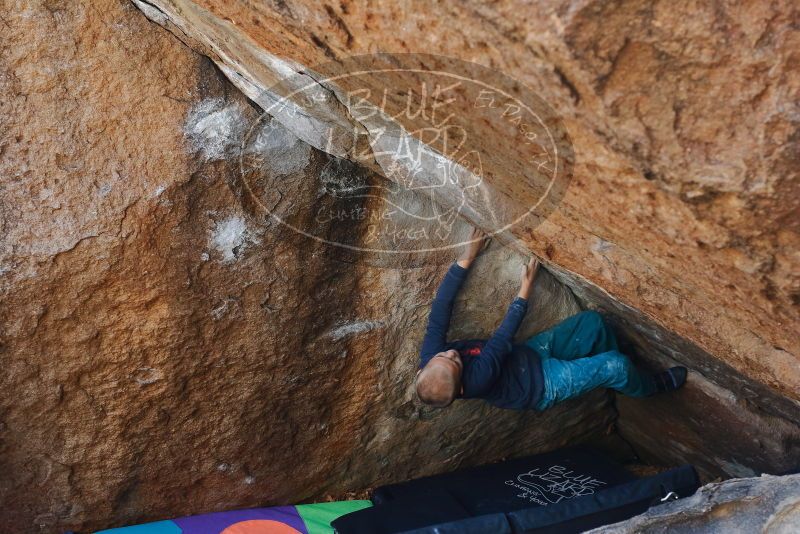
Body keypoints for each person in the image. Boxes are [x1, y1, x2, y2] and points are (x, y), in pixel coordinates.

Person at [415, 228, 687, 409]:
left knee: (592, 324)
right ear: (462, 387)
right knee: (614, 366)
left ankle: (621, 374)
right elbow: (501, 338)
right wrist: (525, 289)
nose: (450, 352)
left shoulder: (432, 356)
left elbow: (442, 306)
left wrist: (468, 255)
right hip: (540, 385)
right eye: (455, 361)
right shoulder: (479, 379)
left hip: (528, 355)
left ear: (423, 368)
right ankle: (647, 387)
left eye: (442, 356)